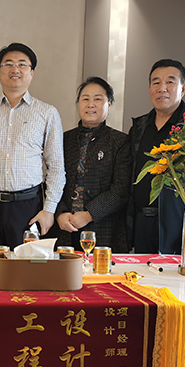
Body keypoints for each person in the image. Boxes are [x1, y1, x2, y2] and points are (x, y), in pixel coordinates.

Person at [0, 43, 65, 247]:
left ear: (32, 72)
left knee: (26, 265)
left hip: (29, 207)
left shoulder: (47, 113)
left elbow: (56, 167)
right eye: (8, 64)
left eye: (22, 64)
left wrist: (49, 209)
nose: (15, 69)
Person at [130, 59, 185, 254]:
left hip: (180, 224)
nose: (162, 88)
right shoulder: (139, 126)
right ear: (149, 89)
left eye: (170, 82)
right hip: (141, 223)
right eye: (156, 82)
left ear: (183, 88)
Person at [55, 77, 131, 253]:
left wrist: (89, 214)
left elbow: (120, 189)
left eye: (98, 99)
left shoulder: (119, 141)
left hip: (103, 228)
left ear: (108, 104)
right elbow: (52, 179)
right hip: (65, 228)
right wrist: (60, 213)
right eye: (85, 99)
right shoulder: (64, 139)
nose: (90, 104)